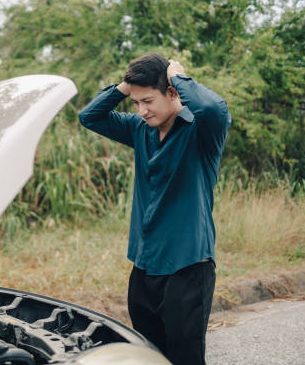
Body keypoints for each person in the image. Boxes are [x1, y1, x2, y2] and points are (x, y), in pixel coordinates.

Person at [78, 53, 231, 365]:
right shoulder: (140, 128)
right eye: (135, 103)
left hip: (187, 267)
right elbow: (89, 117)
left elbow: (213, 106)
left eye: (147, 100)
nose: (141, 110)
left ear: (172, 92)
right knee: (149, 357)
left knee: (184, 358)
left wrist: (178, 76)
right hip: (144, 266)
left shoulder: (202, 129)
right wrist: (127, 86)